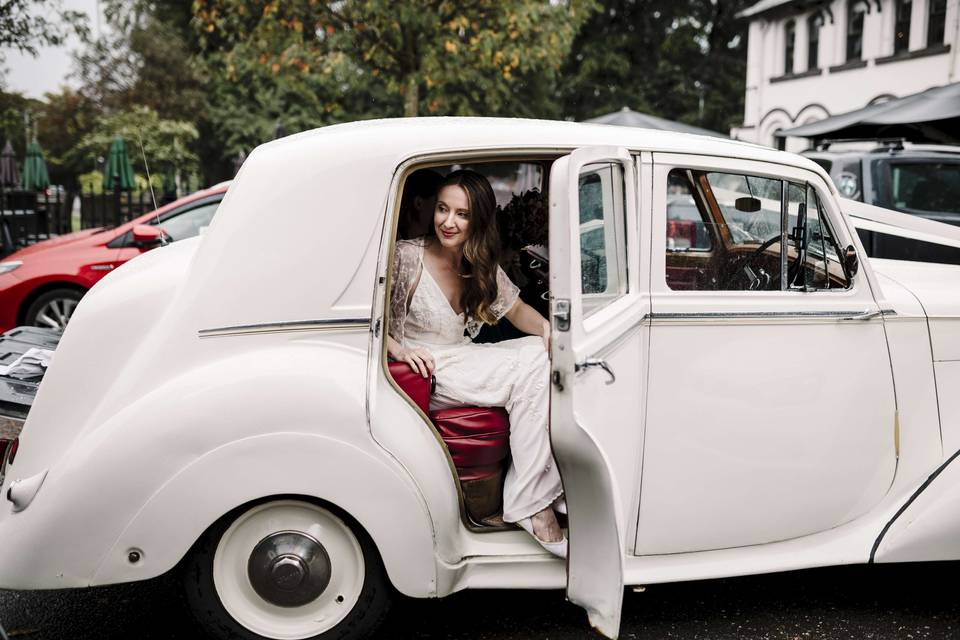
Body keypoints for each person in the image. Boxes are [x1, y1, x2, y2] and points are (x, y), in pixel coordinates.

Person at [387, 169, 567, 557]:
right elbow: (367, 322)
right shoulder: (406, 256)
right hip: (424, 371)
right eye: (442, 209)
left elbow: (516, 309)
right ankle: (533, 504)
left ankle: (543, 492)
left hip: (459, 360)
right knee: (534, 367)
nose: (448, 222)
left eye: (462, 214)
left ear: (478, 220)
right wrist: (398, 350)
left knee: (544, 356)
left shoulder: (477, 262)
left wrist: (550, 331)